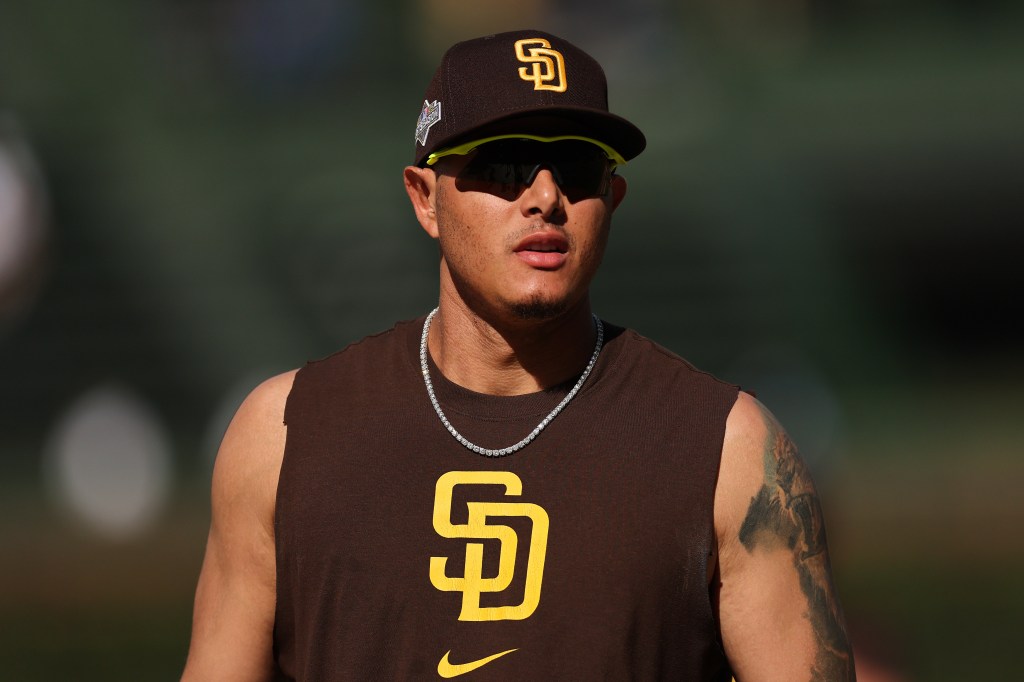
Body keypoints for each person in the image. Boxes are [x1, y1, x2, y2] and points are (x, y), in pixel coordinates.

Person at [182, 29, 855, 681]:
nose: (544, 197)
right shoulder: (283, 435)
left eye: (577, 168)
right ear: (426, 199)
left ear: (612, 199)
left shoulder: (728, 450)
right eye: (503, 166)